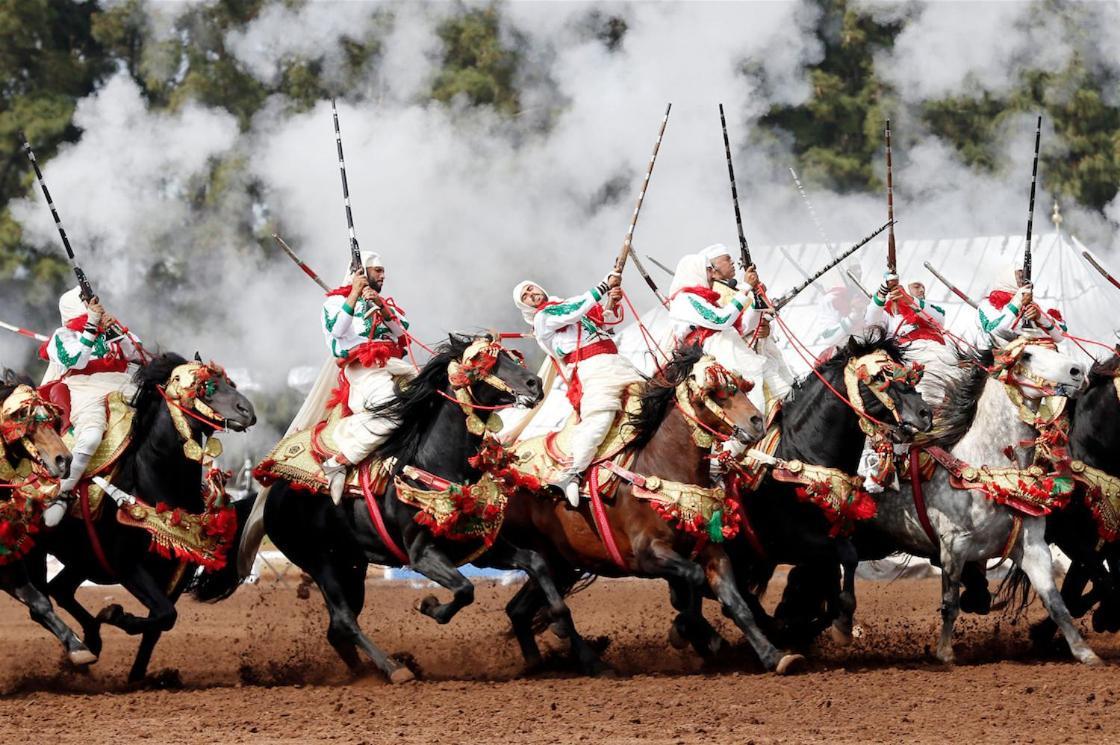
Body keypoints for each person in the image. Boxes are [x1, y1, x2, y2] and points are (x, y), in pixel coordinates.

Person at [513, 271, 641, 507]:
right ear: (525, 306)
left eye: (531, 288)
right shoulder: (544, 317)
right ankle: (573, 473)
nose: (531, 294)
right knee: (601, 416)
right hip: (590, 368)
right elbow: (577, 310)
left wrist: (612, 300)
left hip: (615, 361)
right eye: (525, 295)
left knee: (650, 399)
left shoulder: (563, 305)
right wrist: (604, 284)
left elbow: (604, 319)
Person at [42, 287, 145, 526]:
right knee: (90, 438)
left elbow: (141, 357)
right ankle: (64, 494)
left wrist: (117, 331)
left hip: (125, 385)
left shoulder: (108, 327)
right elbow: (75, 361)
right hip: (86, 390)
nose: (91, 303)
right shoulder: (62, 335)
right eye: (84, 301)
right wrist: (91, 325)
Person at [318, 252, 414, 504]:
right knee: (397, 410)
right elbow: (338, 332)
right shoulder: (334, 304)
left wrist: (380, 305)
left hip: (395, 366)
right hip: (363, 370)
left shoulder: (383, 302)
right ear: (362, 273)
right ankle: (338, 462)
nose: (383, 275)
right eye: (378, 271)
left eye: (383, 270)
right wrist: (354, 294)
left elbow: (402, 334)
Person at [975, 263, 1066, 349]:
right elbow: (993, 331)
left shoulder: (1032, 304)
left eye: (1026, 277)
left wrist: (1040, 318)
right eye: (1021, 277)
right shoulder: (987, 305)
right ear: (1008, 279)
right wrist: (1017, 301)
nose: (1024, 281)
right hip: (1009, 357)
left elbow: (1060, 337)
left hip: (1040, 352)